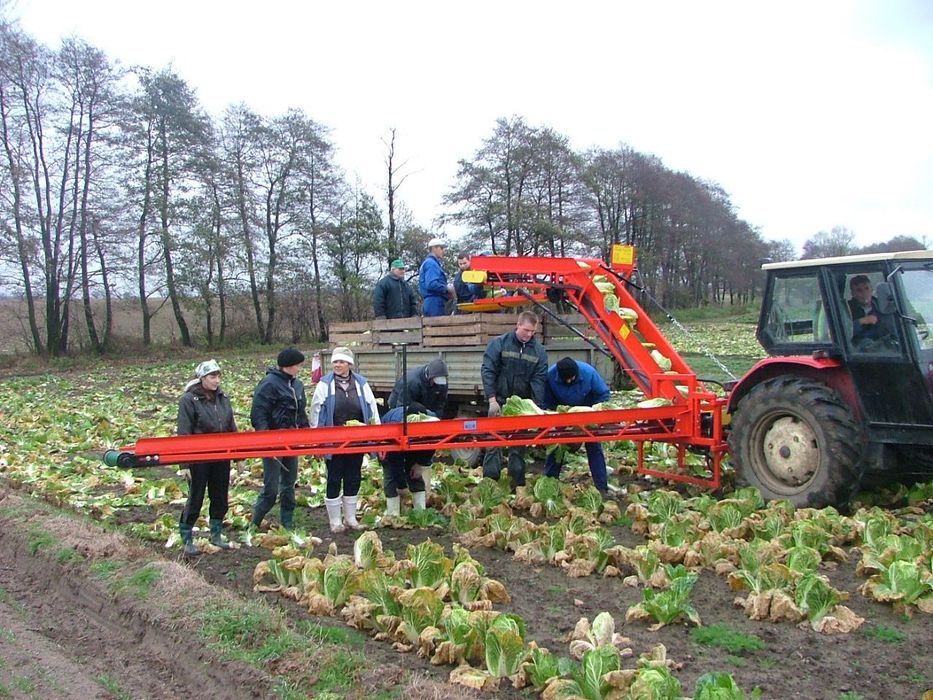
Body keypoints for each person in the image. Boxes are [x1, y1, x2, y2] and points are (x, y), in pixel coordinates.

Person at [310, 346, 381, 533]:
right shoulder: (325, 384)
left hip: (357, 440)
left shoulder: (361, 383)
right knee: (334, 477)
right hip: (333, 441)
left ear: (349, 364)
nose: (337, 365)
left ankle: (350, 519)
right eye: (335, 361)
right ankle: (335, 521)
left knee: (353, 476)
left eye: (341, 362)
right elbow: (316, 411)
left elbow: (372, 408)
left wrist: (377, 434)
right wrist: (316, 440)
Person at [481, 310, 548, 488]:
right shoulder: (499, 344)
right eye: (526, 330)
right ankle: (490, 484)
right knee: (493, 444)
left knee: (518, 447)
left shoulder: (539, 352)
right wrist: (492, 400)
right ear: (518, 325)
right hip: (499, 401)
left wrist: (535, 408)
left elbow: (538, 380)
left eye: (532, 332)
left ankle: (516, 486)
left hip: (521, 407)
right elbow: (488, 371)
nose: (529, 335)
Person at [177, 359, 237, 555]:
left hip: (221, 456)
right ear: (202, 378)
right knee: (196, 495)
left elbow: (231, 427)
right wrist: (184, 464)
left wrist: (238, 456)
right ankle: (186, 536)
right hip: (199, 457)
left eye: (218, 376)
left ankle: (216, 534)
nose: (217, 380)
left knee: (220, 495)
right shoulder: (189, 400)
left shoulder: (223, 398)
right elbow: (184, 432)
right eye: (212, 376)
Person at [250, 348, 310, 531]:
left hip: (292, 441)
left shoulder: (297, 385)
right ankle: (254, 523)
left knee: (289, 483)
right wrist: (265, 437)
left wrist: (307, 433)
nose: (299, 369)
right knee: (271, 488)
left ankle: (287, 522)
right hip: (273, 441)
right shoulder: (269, 384)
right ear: (288, 366)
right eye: (298, 365)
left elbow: (300, 412)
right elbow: (259, 413)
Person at [542, 357, 611, 495]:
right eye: (565, 380)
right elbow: (547, 402)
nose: (568, 381)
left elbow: (603, 395)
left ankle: (602, 487)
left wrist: (596, 412)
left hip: (588, 414)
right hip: (563, 415)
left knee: (594, 447)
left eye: (571, 379)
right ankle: (549, 483)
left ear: (577, 373)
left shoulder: (589, 373)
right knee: (556, 447)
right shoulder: (550, 376)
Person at [379, 401, 435, 517]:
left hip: (414, 444)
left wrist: (421, 464)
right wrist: (402, 485)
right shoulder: (395, 424)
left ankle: (420, 513)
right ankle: (393, 515)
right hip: (391, 446)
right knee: (390, 476)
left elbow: (432, 445)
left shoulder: (432, 420)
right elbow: (393, 459)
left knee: (415, 474)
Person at [847, 275, 884, 345]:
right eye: (859, 290)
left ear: (872, 290)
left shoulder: (882, 306)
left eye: (867, 288)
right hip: (856, 348)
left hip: (881, 346)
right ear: (853, 294)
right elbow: (844, 332)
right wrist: (861, 321)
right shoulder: (847, 309)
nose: (864, 293)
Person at [419, 238, 450, 317]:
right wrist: (447, 288)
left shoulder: (430, 263)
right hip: (434, 302)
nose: (443, 251)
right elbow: (431, 284)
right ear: (434, 248)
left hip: (432, 302)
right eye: (441, 248)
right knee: (436, 324)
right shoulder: (431, 263)